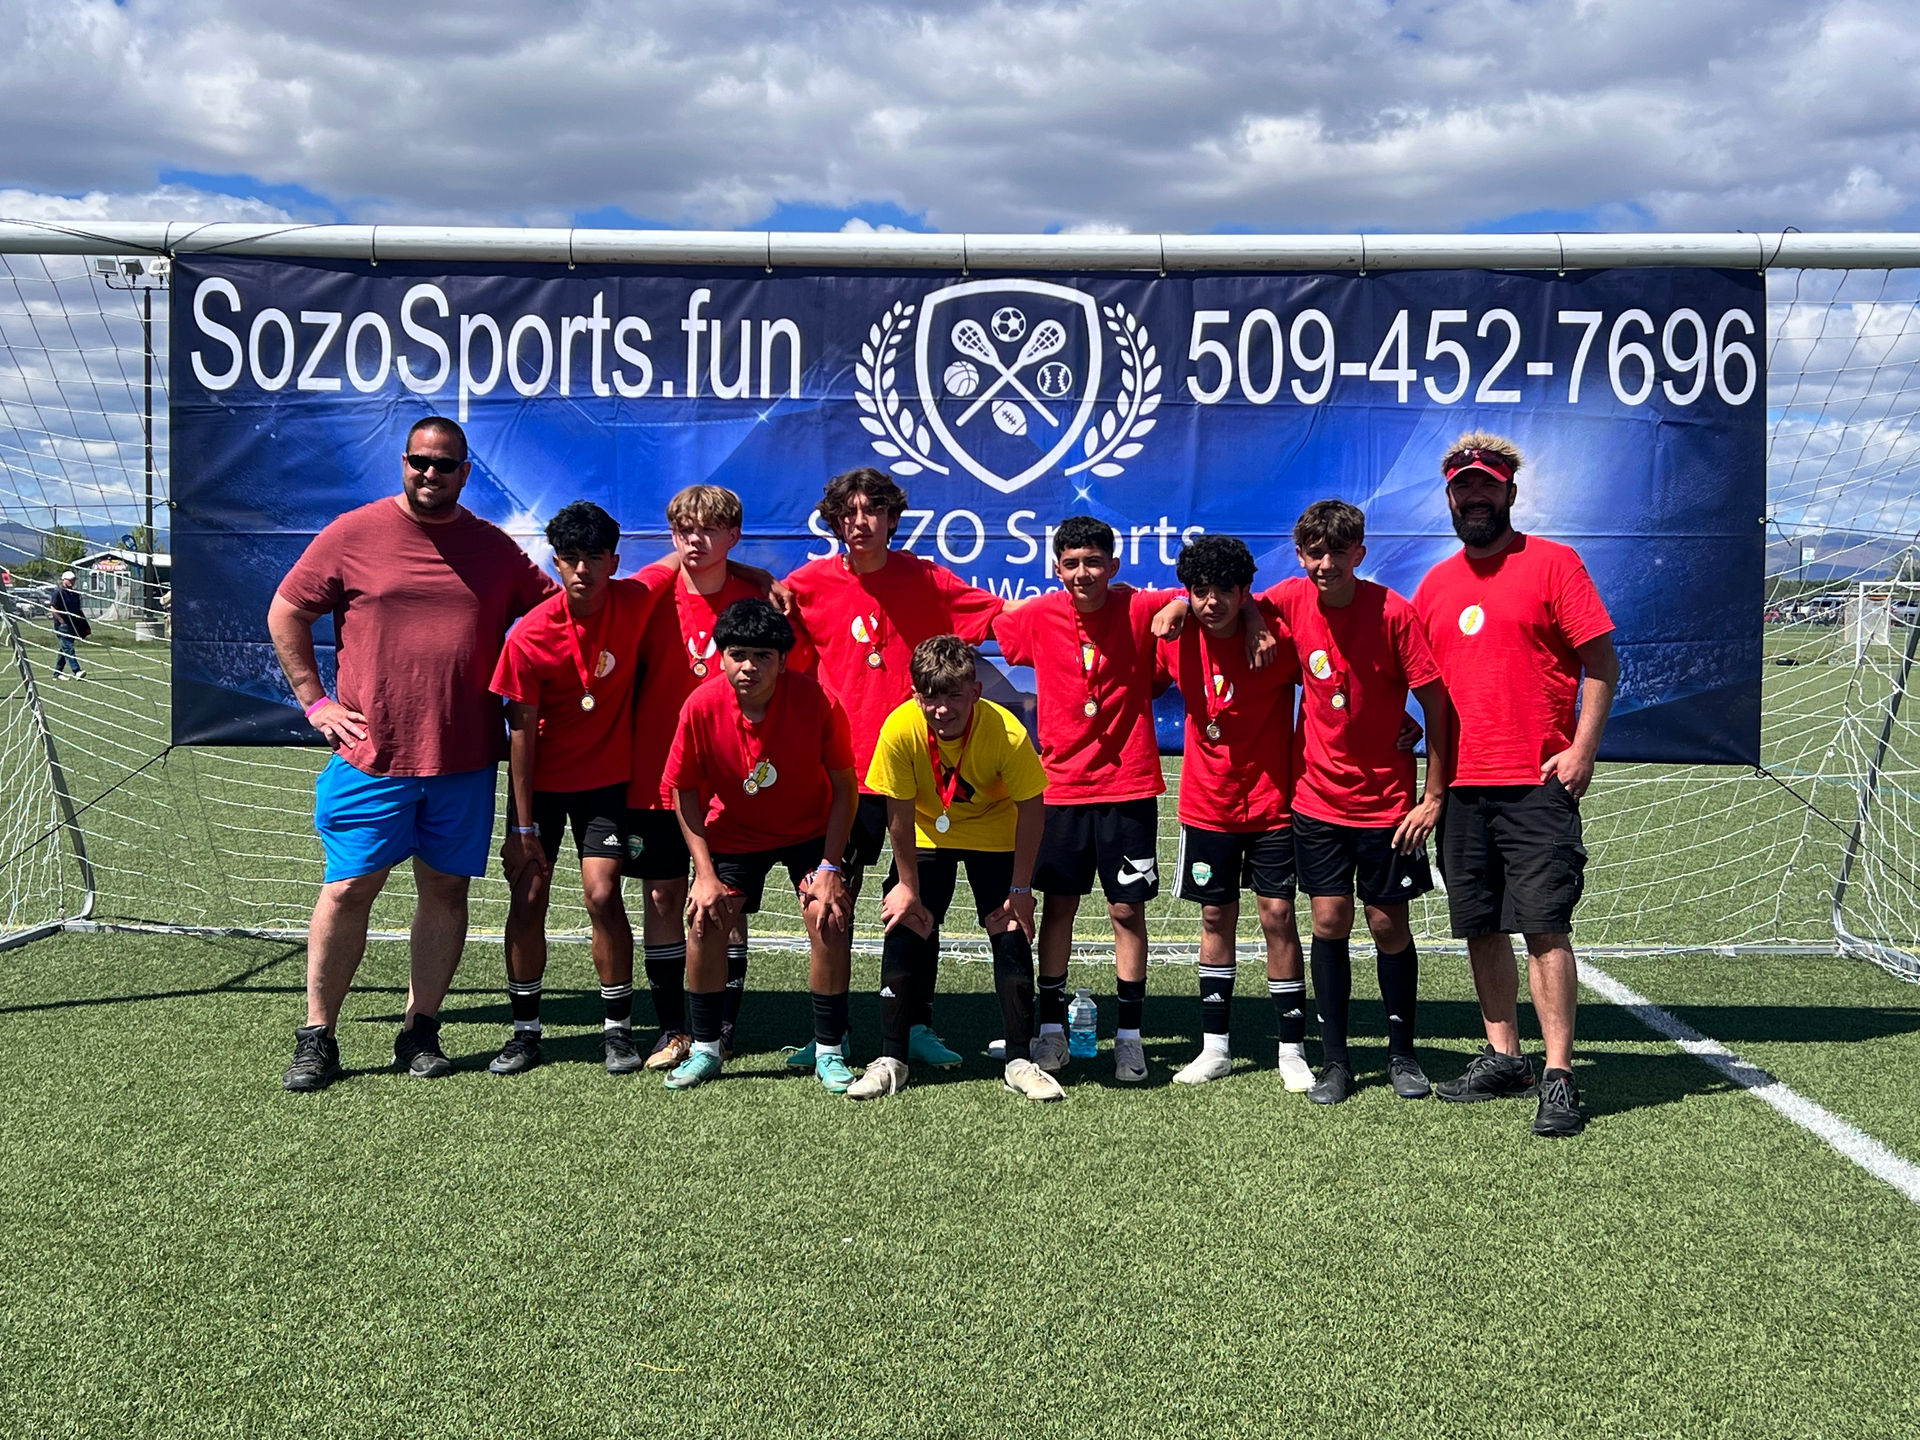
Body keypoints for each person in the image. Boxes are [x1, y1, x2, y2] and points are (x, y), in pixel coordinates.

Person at [269, 416, 556, 1091]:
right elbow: (286, 611)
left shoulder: (492, 548)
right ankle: (319, 1035)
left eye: (445, 465)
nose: (431, 474)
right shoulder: (354, 532)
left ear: (465, 472)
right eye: (419, 462)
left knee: (446, 891)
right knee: (347, 889)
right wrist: (317, 703)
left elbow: (554, 610)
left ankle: (419, 1028)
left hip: (463, 762)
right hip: (372, 758)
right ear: (403, 463)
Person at [995, 516, 1273, 1082]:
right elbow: (985, 623)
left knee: (1127, 910)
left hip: (1130, 786)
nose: (1082, 573)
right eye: (1071, 563)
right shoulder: (1035, 616)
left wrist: (1247, 614)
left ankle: (1129, 1037)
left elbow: (1220, 593)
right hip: (1062, 789)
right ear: (1055, 568)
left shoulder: (1144, 608)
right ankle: (1050, 1033)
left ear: (1114, 567)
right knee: (1060, 907)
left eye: (1093, 562)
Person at [1412, 432, 1617, 1138]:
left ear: (1509, 492)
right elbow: (1430, 694)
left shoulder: (1555, 565)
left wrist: (1582, 750)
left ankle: (1558, 1074)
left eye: (1486, 486)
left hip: (1535, 782)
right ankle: (1505, 1057)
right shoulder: (1435, 586)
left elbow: (1601, 665)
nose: (1474, 497)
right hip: (1462, 789)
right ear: (1449, 497)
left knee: (1544, 928)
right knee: (1479, 926)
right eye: (1462, 488)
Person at [779, 467, 1006, 1070]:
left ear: (891, 519)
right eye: (849, 513)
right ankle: (833, 1033)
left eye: (873, 511)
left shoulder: (928, 578)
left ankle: (916, 1024)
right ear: (834, 521)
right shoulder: (803, 588)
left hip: (917, 771)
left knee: (916, 899)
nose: (861, 523)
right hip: (844, 774)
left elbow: (1004, 621)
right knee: (830, 900)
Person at [1270, 500, 1453, 1106]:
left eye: (1337, 552)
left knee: (1386, 923)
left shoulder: (1394, 613)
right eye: (1314, 553)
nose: (1325, 564)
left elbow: (1436, 704)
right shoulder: (1290, 601)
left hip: (1388, 805)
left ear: (1359, 554)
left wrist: (1432, 794)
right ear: (1301, 558)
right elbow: (1232, 606)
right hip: (1317, 801)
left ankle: (1402, 1055)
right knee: (1328, 921)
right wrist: (1221, 616)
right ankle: (1336, 1061)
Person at [487, 501, 674, 1076]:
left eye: (595, 558)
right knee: (530, 894)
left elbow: (691, 561)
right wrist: (521, 828)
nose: (583, 571)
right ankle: (525, 1032)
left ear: (615, 560)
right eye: (570, 559)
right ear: (556, 561)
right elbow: (519, 737)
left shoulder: (638, 599)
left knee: (602, 893)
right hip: (539, 791)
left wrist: (762, 576)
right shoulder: (529, 638)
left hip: (605, 785)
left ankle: (618, 1031)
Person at [623, 485, 800, 1072]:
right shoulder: (654, 592)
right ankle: (673, 1028)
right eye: (683, 529)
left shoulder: (757, 595)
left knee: (727, 906)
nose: (694, 540)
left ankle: (722, 1028)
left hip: (732, 781)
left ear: (733, 535)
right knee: (663, 895)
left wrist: (752, 571)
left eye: (707, 529)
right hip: (657, 774)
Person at [663, 599, 858, 1092]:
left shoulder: (817, 701)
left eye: (762, 656)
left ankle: (831, 1049)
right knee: (705, 919)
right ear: (721, 656)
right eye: (737, 654)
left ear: (783, 660)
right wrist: (704, 876)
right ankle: (707, 1048)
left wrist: (831, 865)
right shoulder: (700, 706)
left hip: (809, 833)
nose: (748, 666)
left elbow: (845, 788)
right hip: (734, 834)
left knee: (829, 916)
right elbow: (683, 791)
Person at [852, 634, 1056, 1101]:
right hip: (927, 831)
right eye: (931, 696)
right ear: (915, 694)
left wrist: (1021, 888)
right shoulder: (900, 728)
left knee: (1009, 924)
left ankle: (1021, 1059)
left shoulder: (1005, 731)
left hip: (994, 831)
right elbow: (898, 816)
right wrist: (907, 886)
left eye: (953, 695)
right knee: (905, 922)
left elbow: (1032, 807)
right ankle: (892, 1058)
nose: (942, 709)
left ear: (976, 693)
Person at [1157, 535, 1312, 1090]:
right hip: (1207, 806)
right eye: (1200, 591)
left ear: (1246, 591)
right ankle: (1214, 1048)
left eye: (1227, 590)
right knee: (1214, 919)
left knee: (1278, 917)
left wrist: (1255, 620)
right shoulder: (1172, 637)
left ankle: (1291, 1050)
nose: (1213, 601)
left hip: (1273, 807)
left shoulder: (1277, 641)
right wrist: (1174, 606)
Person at [50, 570, 87, 678]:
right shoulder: (58, 592)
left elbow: (78, 610)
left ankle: (57, 673)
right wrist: (61, 621)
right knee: (69, 648)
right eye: (70, 580)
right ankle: (76, 671)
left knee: (64, 649)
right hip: (63, 626)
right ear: (64, 580)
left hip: (73, 624)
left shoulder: (75, 594)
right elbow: (53, 608)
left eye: (73, 580)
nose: (72, 582)